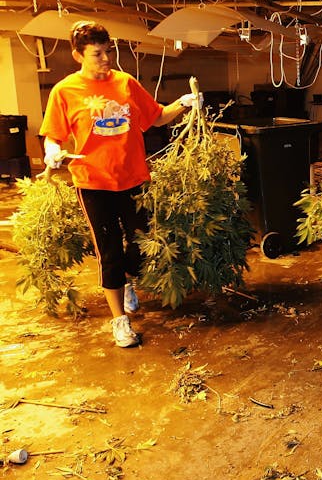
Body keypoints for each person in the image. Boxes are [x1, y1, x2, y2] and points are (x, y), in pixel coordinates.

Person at [39, 20, 202, 348]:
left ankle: (126, 281)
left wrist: (183, 105)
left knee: (141, 245)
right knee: (109, 252)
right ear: (78, 55)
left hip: (133, 178)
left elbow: (155, 116)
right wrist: (53, 152)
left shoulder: (126, 83)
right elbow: (52, 136)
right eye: (97, 53)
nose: (105, 58)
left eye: (108, 51)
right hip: (93, 182)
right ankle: (120, 322)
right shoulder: (65, 91)